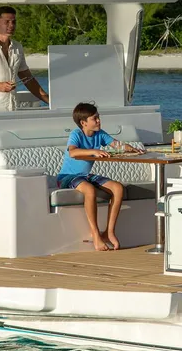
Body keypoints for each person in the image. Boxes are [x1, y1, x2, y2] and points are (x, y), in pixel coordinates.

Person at [57, 102, 144, 252]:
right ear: (83, 123)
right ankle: (96, 235)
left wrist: (133, 150)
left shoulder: (100, 134)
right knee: (89, 190)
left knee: (117, 188)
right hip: (68, 177)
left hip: (86, 175)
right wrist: (93, 152)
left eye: (98, 117)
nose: (98, 121)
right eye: (95, 118)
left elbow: (117, 145)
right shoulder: (76, 134)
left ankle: (109, 232)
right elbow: (73, 152)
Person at [0, 6, 49, 112]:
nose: (11, 25)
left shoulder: (18, 47)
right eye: (7, 22)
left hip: (12, 110)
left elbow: (28, 80)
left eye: (13, 22)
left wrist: (49, 100)